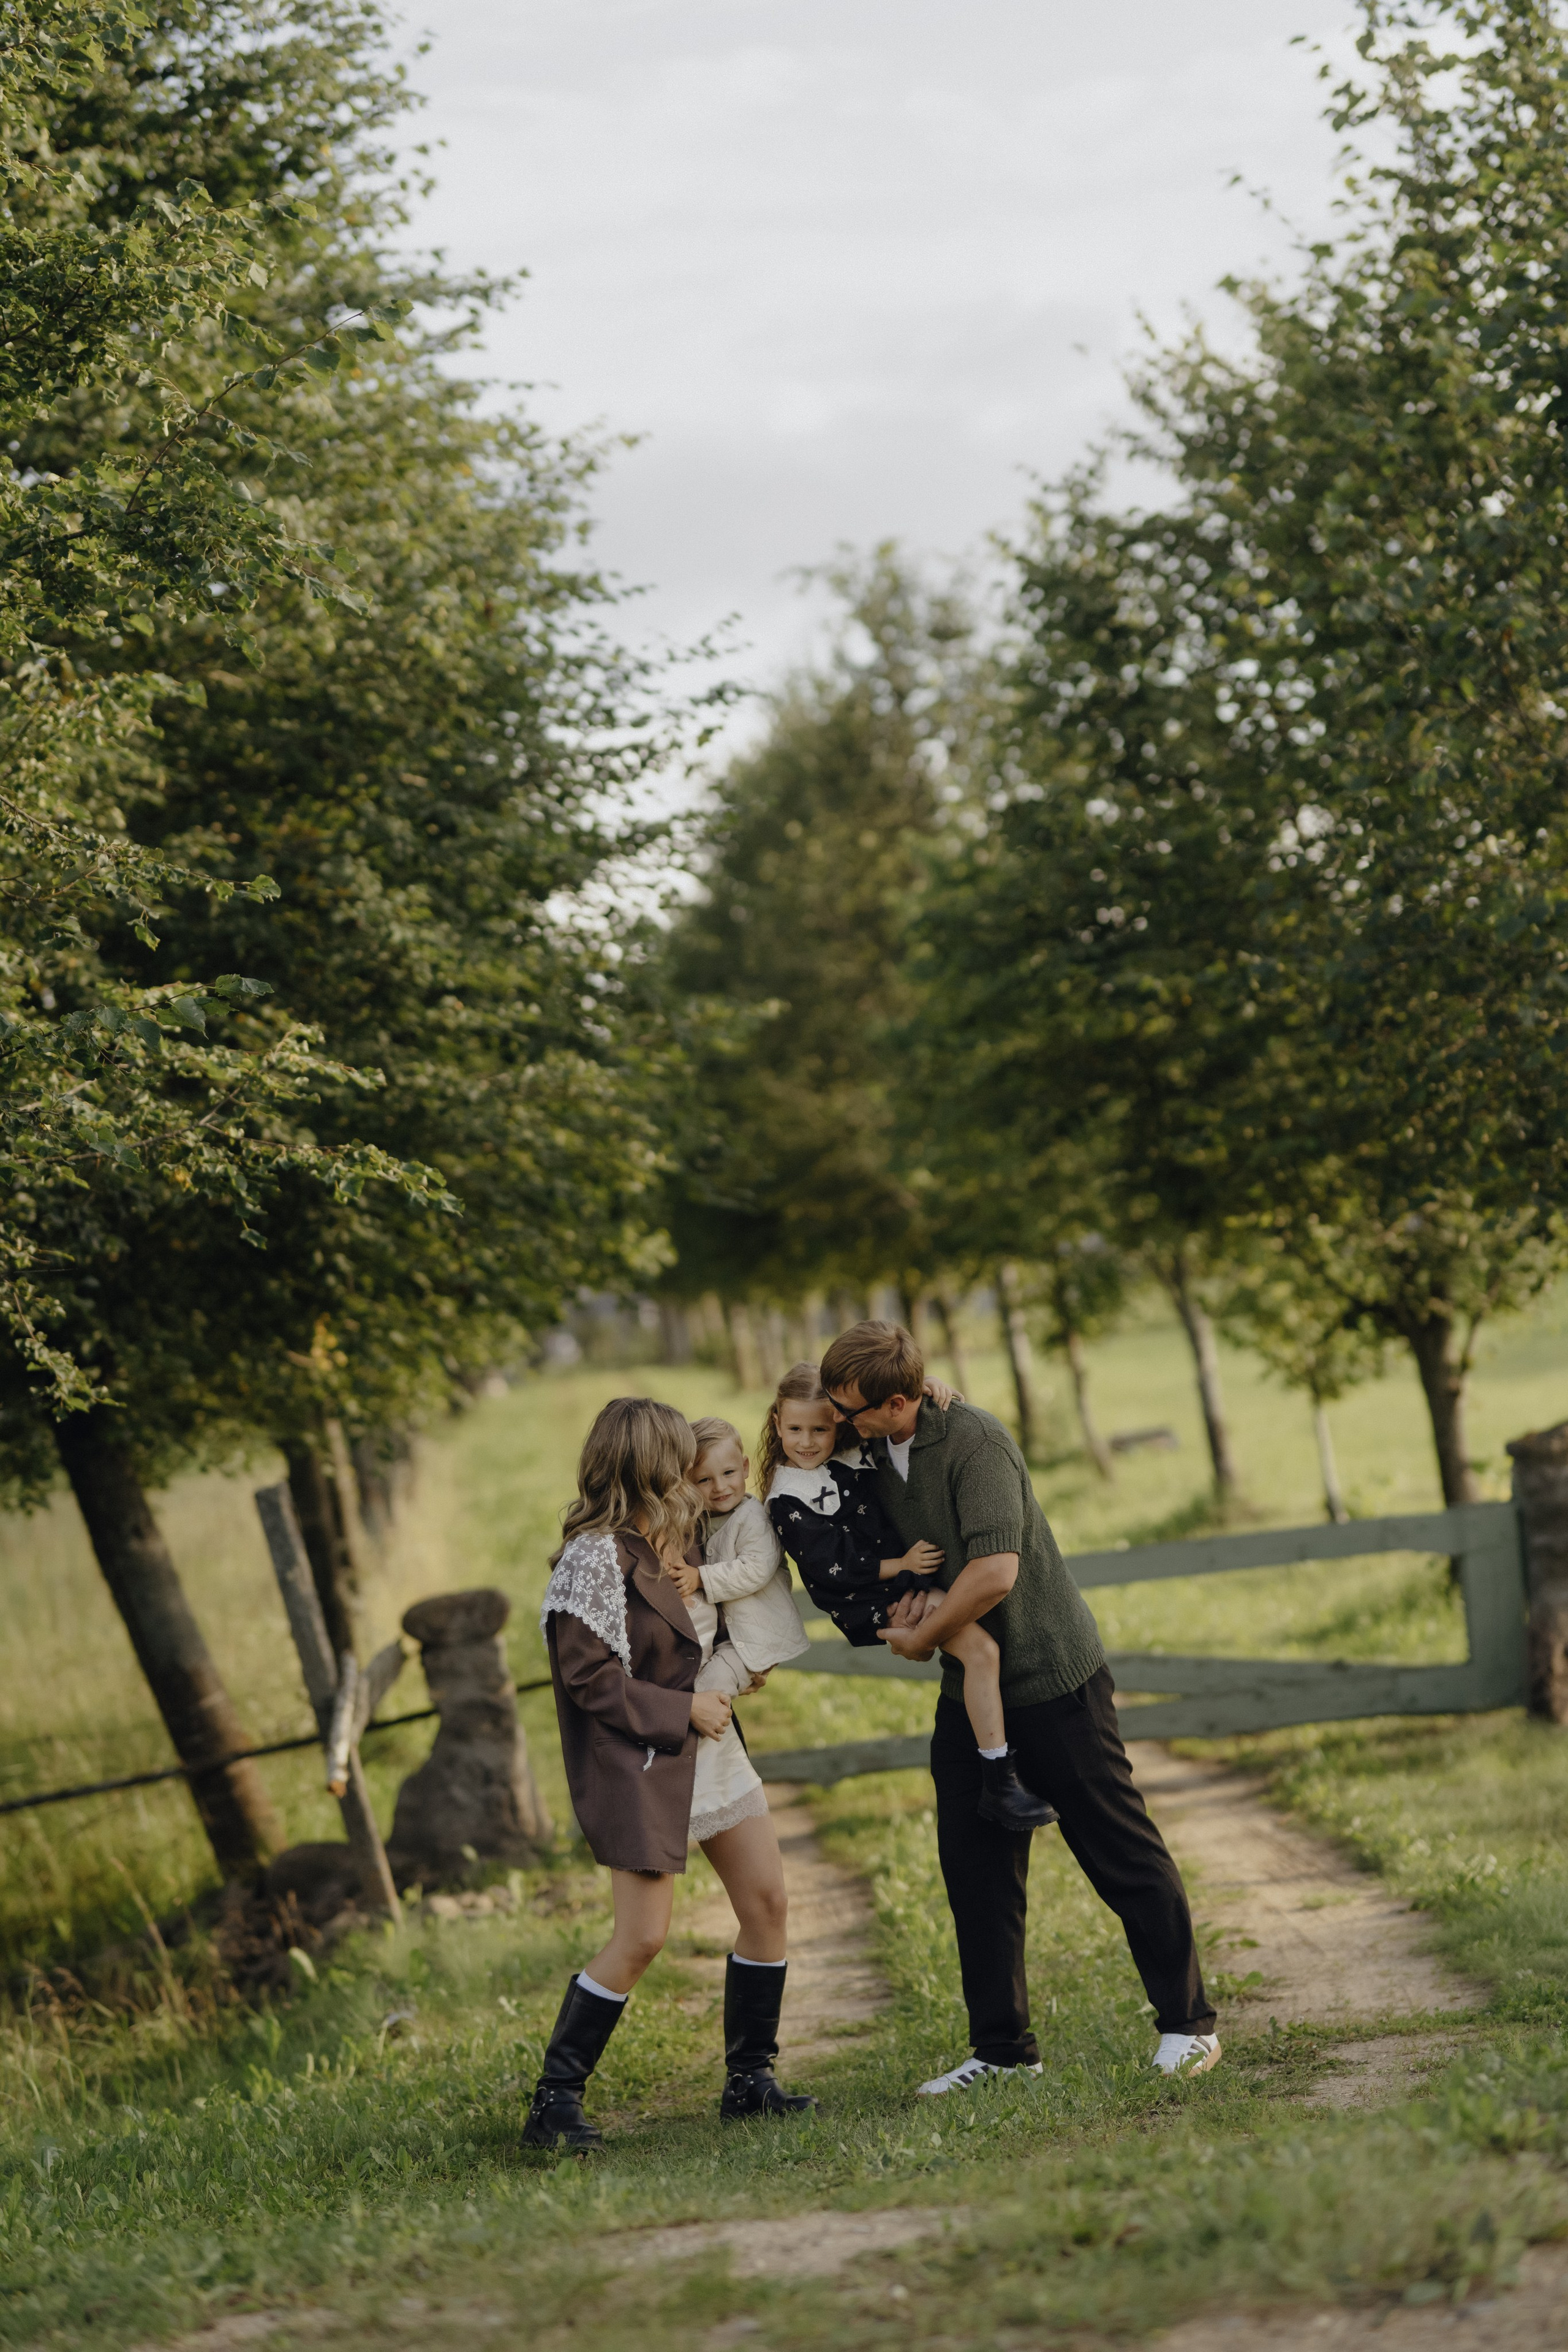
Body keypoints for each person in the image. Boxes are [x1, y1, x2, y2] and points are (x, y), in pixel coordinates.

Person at [819, 1320, 1221, 2095]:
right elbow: (801, 1429)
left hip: (1051, 1680)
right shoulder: (869, 1444)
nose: (841, 1421)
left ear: (899, 1403)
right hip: (970, 1696)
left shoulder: (976, 1444)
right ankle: (1003, 2054)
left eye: (854, 1410)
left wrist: (921, 1638)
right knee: (975, 1872)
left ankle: (1189, 2026)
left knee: (1121, 1855)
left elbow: (996, 1573)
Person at [526, 1396, 816, 2150]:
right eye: (676, 1454)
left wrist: (739, 1671)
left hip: (715, 1753)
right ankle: (554, 2103)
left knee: (768, 1903)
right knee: (643, 1938)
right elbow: (587, 1681)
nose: (694, 1467)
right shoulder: (594, 1555)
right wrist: (683, 1710)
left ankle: (749, 2084)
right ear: (646, 1464)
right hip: (643, 1760)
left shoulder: (682, 1534)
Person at [759, 1362, 1057, 1834]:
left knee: (980, 1653)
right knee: (982, 1651)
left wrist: (921, 1385)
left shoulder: (852, 1449)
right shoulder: (788, 1497)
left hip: (900, 1579)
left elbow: (878, 1399)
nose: (808, 1441)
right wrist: (903, 1567)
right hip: (867, 1593)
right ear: (776, 1424)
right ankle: (1000, 1781)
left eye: (821, 1427)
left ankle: (998, 1771)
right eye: (794, 1429)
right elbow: (829, 1565)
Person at [669, 1415, 812, 1722]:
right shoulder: (701, 1518)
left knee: (708, 1689)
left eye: (729, 1473)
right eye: (704, 1480)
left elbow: (755, 1570)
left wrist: (700, 1578)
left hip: (755, 1636)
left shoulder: (754, 1518)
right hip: (729, 1634)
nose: (720, 1487)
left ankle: (699, 1750)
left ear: (745, 1468)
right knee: (688, 1682)